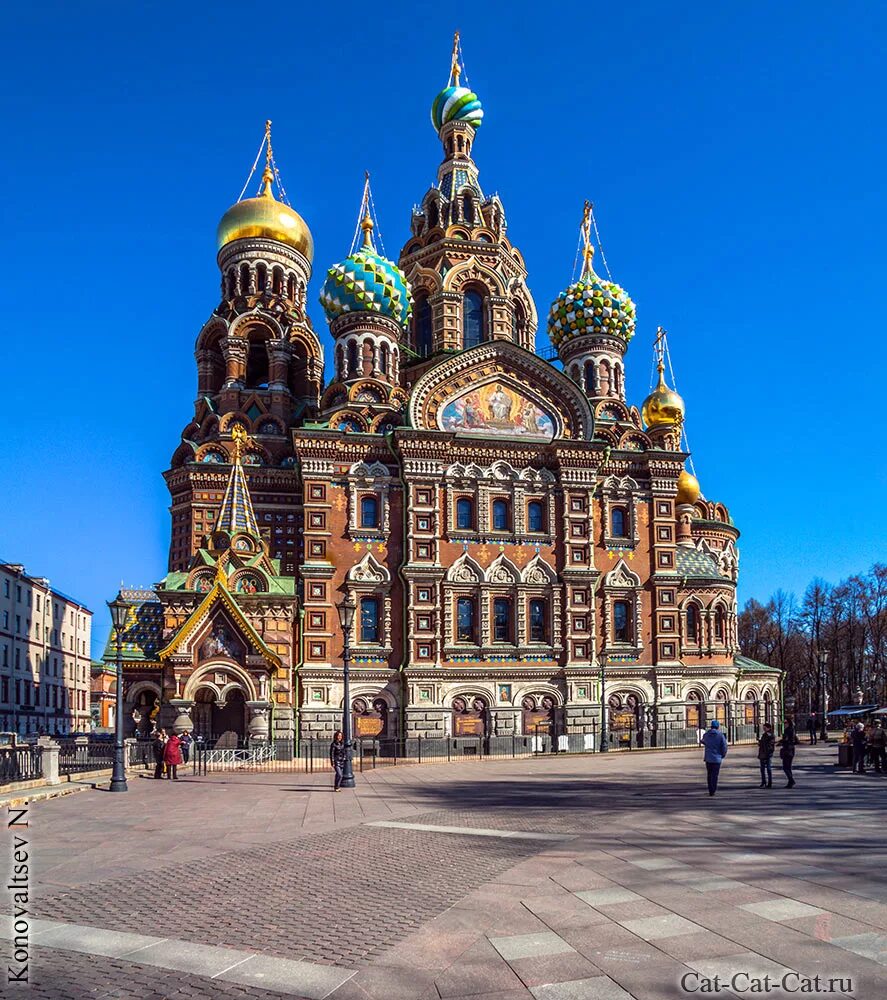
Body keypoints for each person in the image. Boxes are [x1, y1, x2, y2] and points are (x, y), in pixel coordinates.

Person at [700, 719, 728, 796]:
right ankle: (713, 789)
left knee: (709, 774)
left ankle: (710, 789)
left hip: (708, 758)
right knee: (715, 775)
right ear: (718, 726)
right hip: (717, 758)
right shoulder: (720, 735)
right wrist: (723, 755)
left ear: (711, 726)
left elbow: (703, 741)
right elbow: (724, 747)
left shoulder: (707, 734)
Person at [777, 717, 797, 787]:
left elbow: (786, 739)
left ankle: (791, 780)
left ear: (788, 723)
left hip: (787, 750)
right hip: (791, 749)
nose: (784, 724)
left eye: (785, 723)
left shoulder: (788, 730)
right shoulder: (792, 730)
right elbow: (795, 740)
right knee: (788, 767)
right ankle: (790, 782)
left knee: (785, 767)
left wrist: (780, 742)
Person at [757, 723, 775, 788]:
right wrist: (760, 742)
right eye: (763, 728)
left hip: (767, 753)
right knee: (762, 769)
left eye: (765, 728)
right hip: (762, 753)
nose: (764, 729)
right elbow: (762, 743)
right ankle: (763, 781)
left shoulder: (770, 735)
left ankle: (769, 783)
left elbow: (770, 744)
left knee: (768, 768)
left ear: (769, 728)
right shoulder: (764, 735)